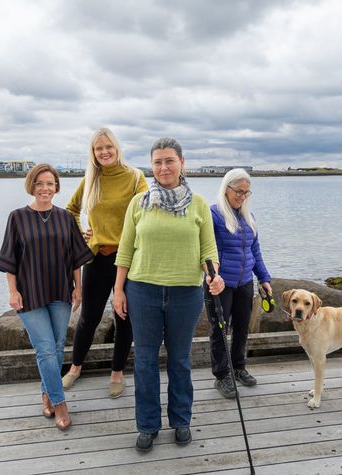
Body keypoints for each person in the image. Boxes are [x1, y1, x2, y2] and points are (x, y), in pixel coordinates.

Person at [113, 137, 225, 452]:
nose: (164, 167)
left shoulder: (199, 204)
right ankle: (147, 426)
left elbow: (209, 251)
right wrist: (118, 290)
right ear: (152, 165)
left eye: (169, 161)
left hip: (185, 293)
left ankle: (181, 421)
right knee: (146, 360)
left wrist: (214, 277)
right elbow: (125, 251)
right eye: (158, 162)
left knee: (180, 359)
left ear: (182, 163)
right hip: (142, 291)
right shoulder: (139, 203)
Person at [0, 163, 93, 430]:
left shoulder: (65, 218)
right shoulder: (17, 217)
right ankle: (60, 404)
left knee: (57, 348)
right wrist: (12, 292)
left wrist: (78, 287)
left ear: (56, 187)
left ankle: (46, 394)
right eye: (40, 184)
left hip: (60, 291)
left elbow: (75, 258)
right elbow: (9, 259)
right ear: (32, 186)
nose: (45, 188)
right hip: (30, 293)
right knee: (46, 349)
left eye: (50, 183)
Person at [61, 128, 148, 398]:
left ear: (116, 147)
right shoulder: (90, 179)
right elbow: (70, 210)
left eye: (108, 146)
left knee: (125, 318)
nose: (104, 152)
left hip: (129, 261)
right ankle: (75, 368)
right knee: (89, 317)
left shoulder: (135, 177)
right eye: (98, 149)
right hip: (97, 259)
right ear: (93, 153)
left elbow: (148, 213)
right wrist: (82, 237)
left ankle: (117, 372)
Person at [205, 168, 273, 399]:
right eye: (238, 192)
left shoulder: (248, 216)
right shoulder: (213, 215)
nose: (242, 196)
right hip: (220, 284)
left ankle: (238, 367)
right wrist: (212, 275)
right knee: (220, 330)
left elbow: (255, 250)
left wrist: (263, 278)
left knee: (242, 328)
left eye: (246, 192)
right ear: (226, 189)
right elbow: (206, 250)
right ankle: (222, 374)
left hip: (245, 282)